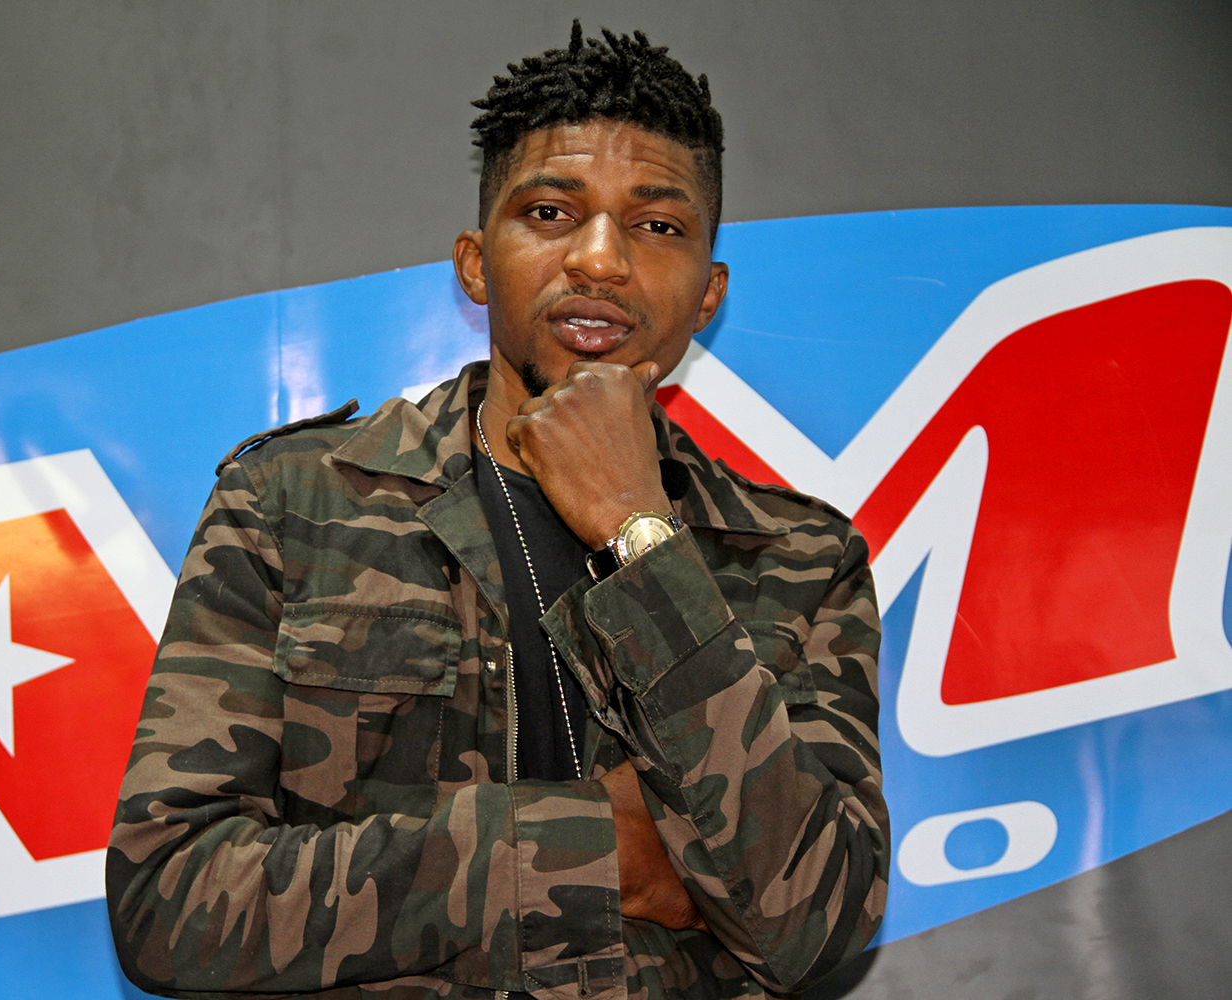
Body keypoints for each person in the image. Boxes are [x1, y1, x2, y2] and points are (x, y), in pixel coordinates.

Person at [107, 23, 887, 1000]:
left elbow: (821, 924)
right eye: (552, 212)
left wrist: (642, 536)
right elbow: (168, 903)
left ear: (708, 296)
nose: (600, 260)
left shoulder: (798, 560)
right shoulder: (294, 502)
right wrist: (578, 852)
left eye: (657, 226)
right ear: (476, 264)